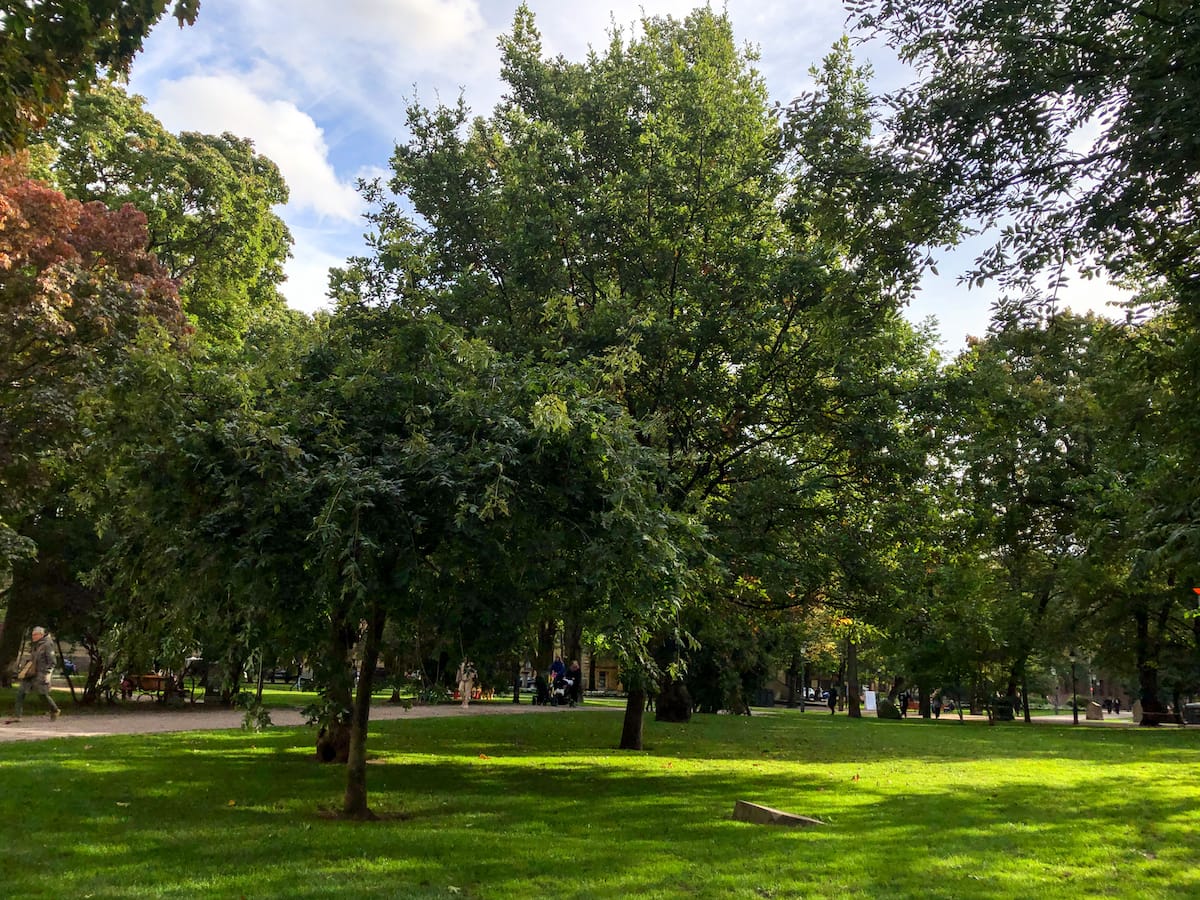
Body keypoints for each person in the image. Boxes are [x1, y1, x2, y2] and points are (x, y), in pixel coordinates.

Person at [13, 626, 60, 721]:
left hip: (41, 674)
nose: (33, 637)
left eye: (35, 635)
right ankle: (17, 716)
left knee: (42, 694)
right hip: (30, 673)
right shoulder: (36, 644)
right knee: (20, 692)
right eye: (32, 635)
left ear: (41, 635)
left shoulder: (47, 644)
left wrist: (47, 674)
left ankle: (54, 710)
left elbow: (52, 662)